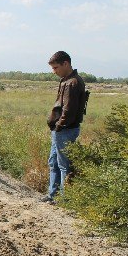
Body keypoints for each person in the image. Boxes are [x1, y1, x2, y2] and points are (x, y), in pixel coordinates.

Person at [43, 51, 86, 203]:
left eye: (56, 68)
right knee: (54, 162)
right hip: (62, 130)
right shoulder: (68, 80)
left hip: (65, 130)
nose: (54, 71)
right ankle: (52, 195)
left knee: (63, 166)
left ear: (65, 64)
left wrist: (59, 126)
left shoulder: (72, 83)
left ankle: (63, 199)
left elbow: (68, 111)